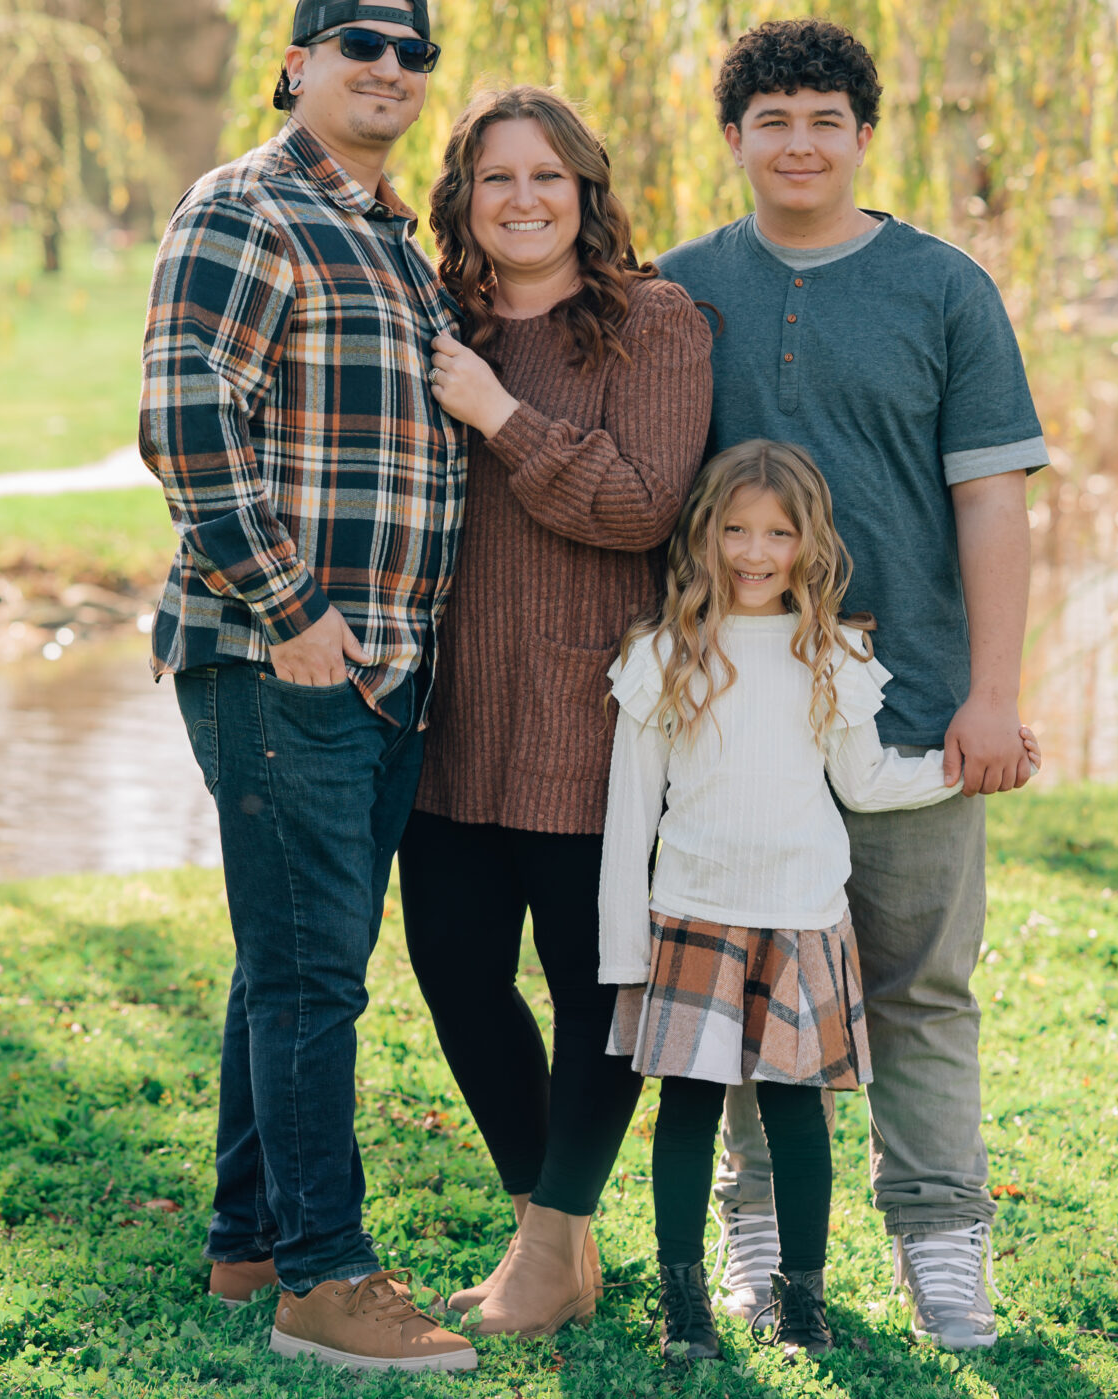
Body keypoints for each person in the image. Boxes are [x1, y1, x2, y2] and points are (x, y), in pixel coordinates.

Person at [657, 19, 1047, 1350]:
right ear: (735, 139)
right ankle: (762, 1241)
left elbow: (992, 499)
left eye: (825, 117)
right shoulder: (681, 291)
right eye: (772, 120)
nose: (801, 142)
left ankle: (942, 1246)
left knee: (923, 986)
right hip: (732, 727)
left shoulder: (944, 289)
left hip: (915, 702)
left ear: (865, 134)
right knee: (757, 974)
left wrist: (992, 692)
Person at [138, 0, 477, 1375]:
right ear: (297, 64)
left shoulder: (393, 237)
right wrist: (288, 608)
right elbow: (181, 414)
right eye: (360, 44)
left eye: (414, 50)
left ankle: (251, 1239)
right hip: (282, 658)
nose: (390, 65)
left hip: (375, 671)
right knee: (308, 983)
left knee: (289, 959)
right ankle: (327, 1281)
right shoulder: (248, 204)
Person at [594, 441, 1039, 1358]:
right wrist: (622, 953)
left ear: (809, 545)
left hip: (801, 913)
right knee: (686, 1108)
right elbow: (630, 812)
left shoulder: (829, 652)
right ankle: (686, 1307)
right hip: (695, 913)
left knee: (799, 1114)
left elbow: (866, 779)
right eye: (735, 530)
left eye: (778, 534)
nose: (755, 552)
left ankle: (803, 1301)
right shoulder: (667, 653)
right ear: (705, 535)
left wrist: (962, 772)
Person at [400, 86, 711, 1338]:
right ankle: (553, 1231)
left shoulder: (654, 322)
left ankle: (544, 1252)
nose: (522, 198)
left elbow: (638, 505)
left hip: (591, 711)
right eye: (494, 178)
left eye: (546, 175)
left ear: (585, 187)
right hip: (448, 707)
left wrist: (498, 414)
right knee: (457, 973)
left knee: (593, 990)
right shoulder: (439, 318)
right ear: (462, 202)